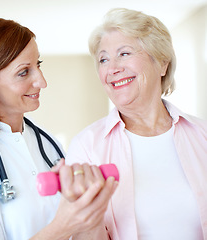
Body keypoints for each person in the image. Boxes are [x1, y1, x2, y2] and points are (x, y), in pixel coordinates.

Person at [0, 18, 118, 240]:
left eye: (38, 65)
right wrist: (63, 225)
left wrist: (91, 215)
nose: (42, 81)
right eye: (24, 72)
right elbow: (66, 225)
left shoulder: (50, 145)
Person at [66, 8, 207, 240]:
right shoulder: (87, 145)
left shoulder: (202, 135)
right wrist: (88, 216)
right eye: (103, 59)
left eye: (124, 54)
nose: (112, 68)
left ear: (161, 63)